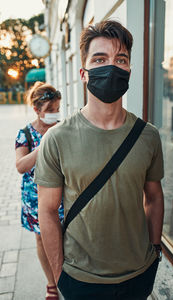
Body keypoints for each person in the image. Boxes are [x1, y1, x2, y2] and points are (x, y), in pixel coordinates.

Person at [35, 20, 164, 300]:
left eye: (121, 59)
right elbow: (46, 211)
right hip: (80, 279)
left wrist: (155, 251)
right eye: (100, 59)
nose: (112, 67)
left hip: (139, 274)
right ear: (84, 73)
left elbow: (153, 197)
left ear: (129, 70)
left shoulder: (149, 136)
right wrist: (59, 275)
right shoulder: (56, 139)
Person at [15, 81, 64, 300]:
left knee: (63, 236)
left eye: (57, 110)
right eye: (50, 111)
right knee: (41, 239)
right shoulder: (24, 133)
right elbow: (20, 166)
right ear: (37, 110)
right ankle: (51, 283)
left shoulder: (62, 129)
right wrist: (44, 143)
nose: (55, 114)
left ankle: (65, 276)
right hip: (34, 198)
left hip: (62, 195)